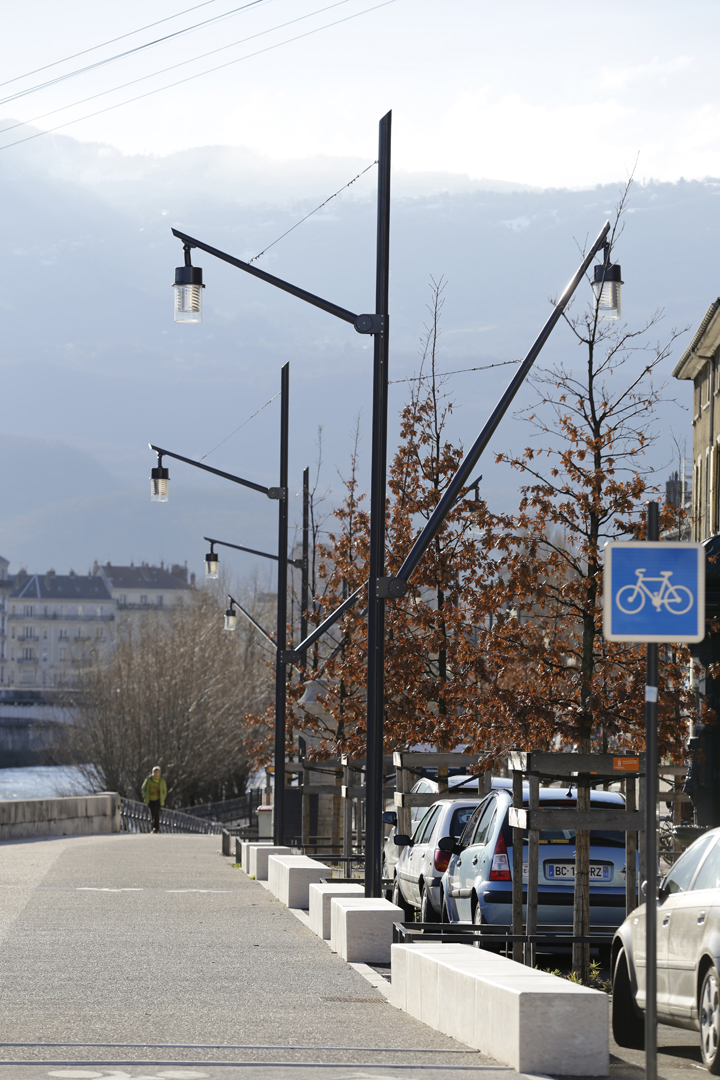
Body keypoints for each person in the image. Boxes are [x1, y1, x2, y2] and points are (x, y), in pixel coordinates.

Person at [141, 766, 167, 833]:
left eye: (158, 772)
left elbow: (164, 790)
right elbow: (143, 788)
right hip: (150, 799)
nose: (156, 774)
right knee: (152, 814)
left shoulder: (161, 781)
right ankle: (152, 827)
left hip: (158, 800)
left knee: (156, 813)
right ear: (153, 773)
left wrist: (163, 797)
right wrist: (145, 795)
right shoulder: (149, 779)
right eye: (155, 772)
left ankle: (156, 828)